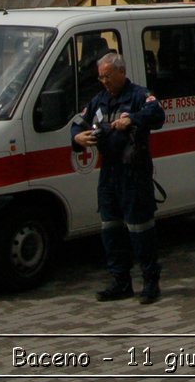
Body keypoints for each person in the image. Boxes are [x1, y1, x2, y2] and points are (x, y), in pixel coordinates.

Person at [72, 52, 165, 304]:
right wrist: (77, 138)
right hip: (109, 173)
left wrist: (132, 119)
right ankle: (120, 282)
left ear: (121, 73)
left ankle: (150, 283)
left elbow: (158, 116)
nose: (104, 81)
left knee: (140, 229)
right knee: (110, 228)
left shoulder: (138, 95)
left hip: (134, 172)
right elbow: (79, 123)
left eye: (108, 77)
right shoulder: (99, 100)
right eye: (101, 77)